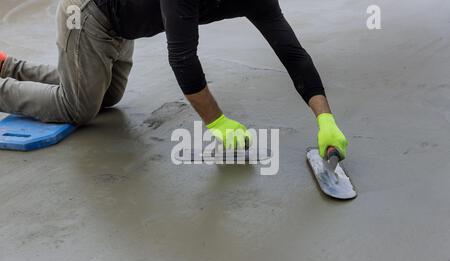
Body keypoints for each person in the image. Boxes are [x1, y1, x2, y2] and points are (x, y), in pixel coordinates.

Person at [0, 0, 348, 159]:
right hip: (89, 15)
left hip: (122, 27)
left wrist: (325, 119)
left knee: (107, 97)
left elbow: (293, 54)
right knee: (79, 107)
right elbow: (181, 58)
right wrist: (217, 122)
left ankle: (7, 64)